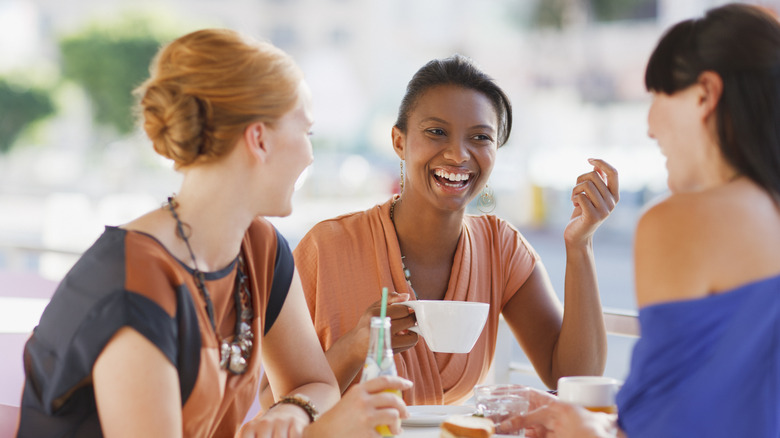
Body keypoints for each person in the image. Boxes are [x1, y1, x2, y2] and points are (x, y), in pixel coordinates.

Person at [16, 29, 411, 438]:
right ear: (259, 139)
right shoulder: (131, 286)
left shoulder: (262, 250)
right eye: (306, 132)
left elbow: (316, 384)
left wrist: (294, 412)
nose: (311, 154)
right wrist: (321, 434)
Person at [262, 54, 619, 406]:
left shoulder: (501, 248)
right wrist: (356, 347)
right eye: (436, 132)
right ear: (399, 142)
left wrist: (580, 244)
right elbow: (270, 402)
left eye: (480, 137)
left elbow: (573, 377)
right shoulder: (327, 247)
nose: (458, 154)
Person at [508, 4, 780, 437]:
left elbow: (656, 423)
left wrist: (583, 430)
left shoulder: (678, 221)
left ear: (706, 95)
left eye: (658, 95)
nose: (650, 126)